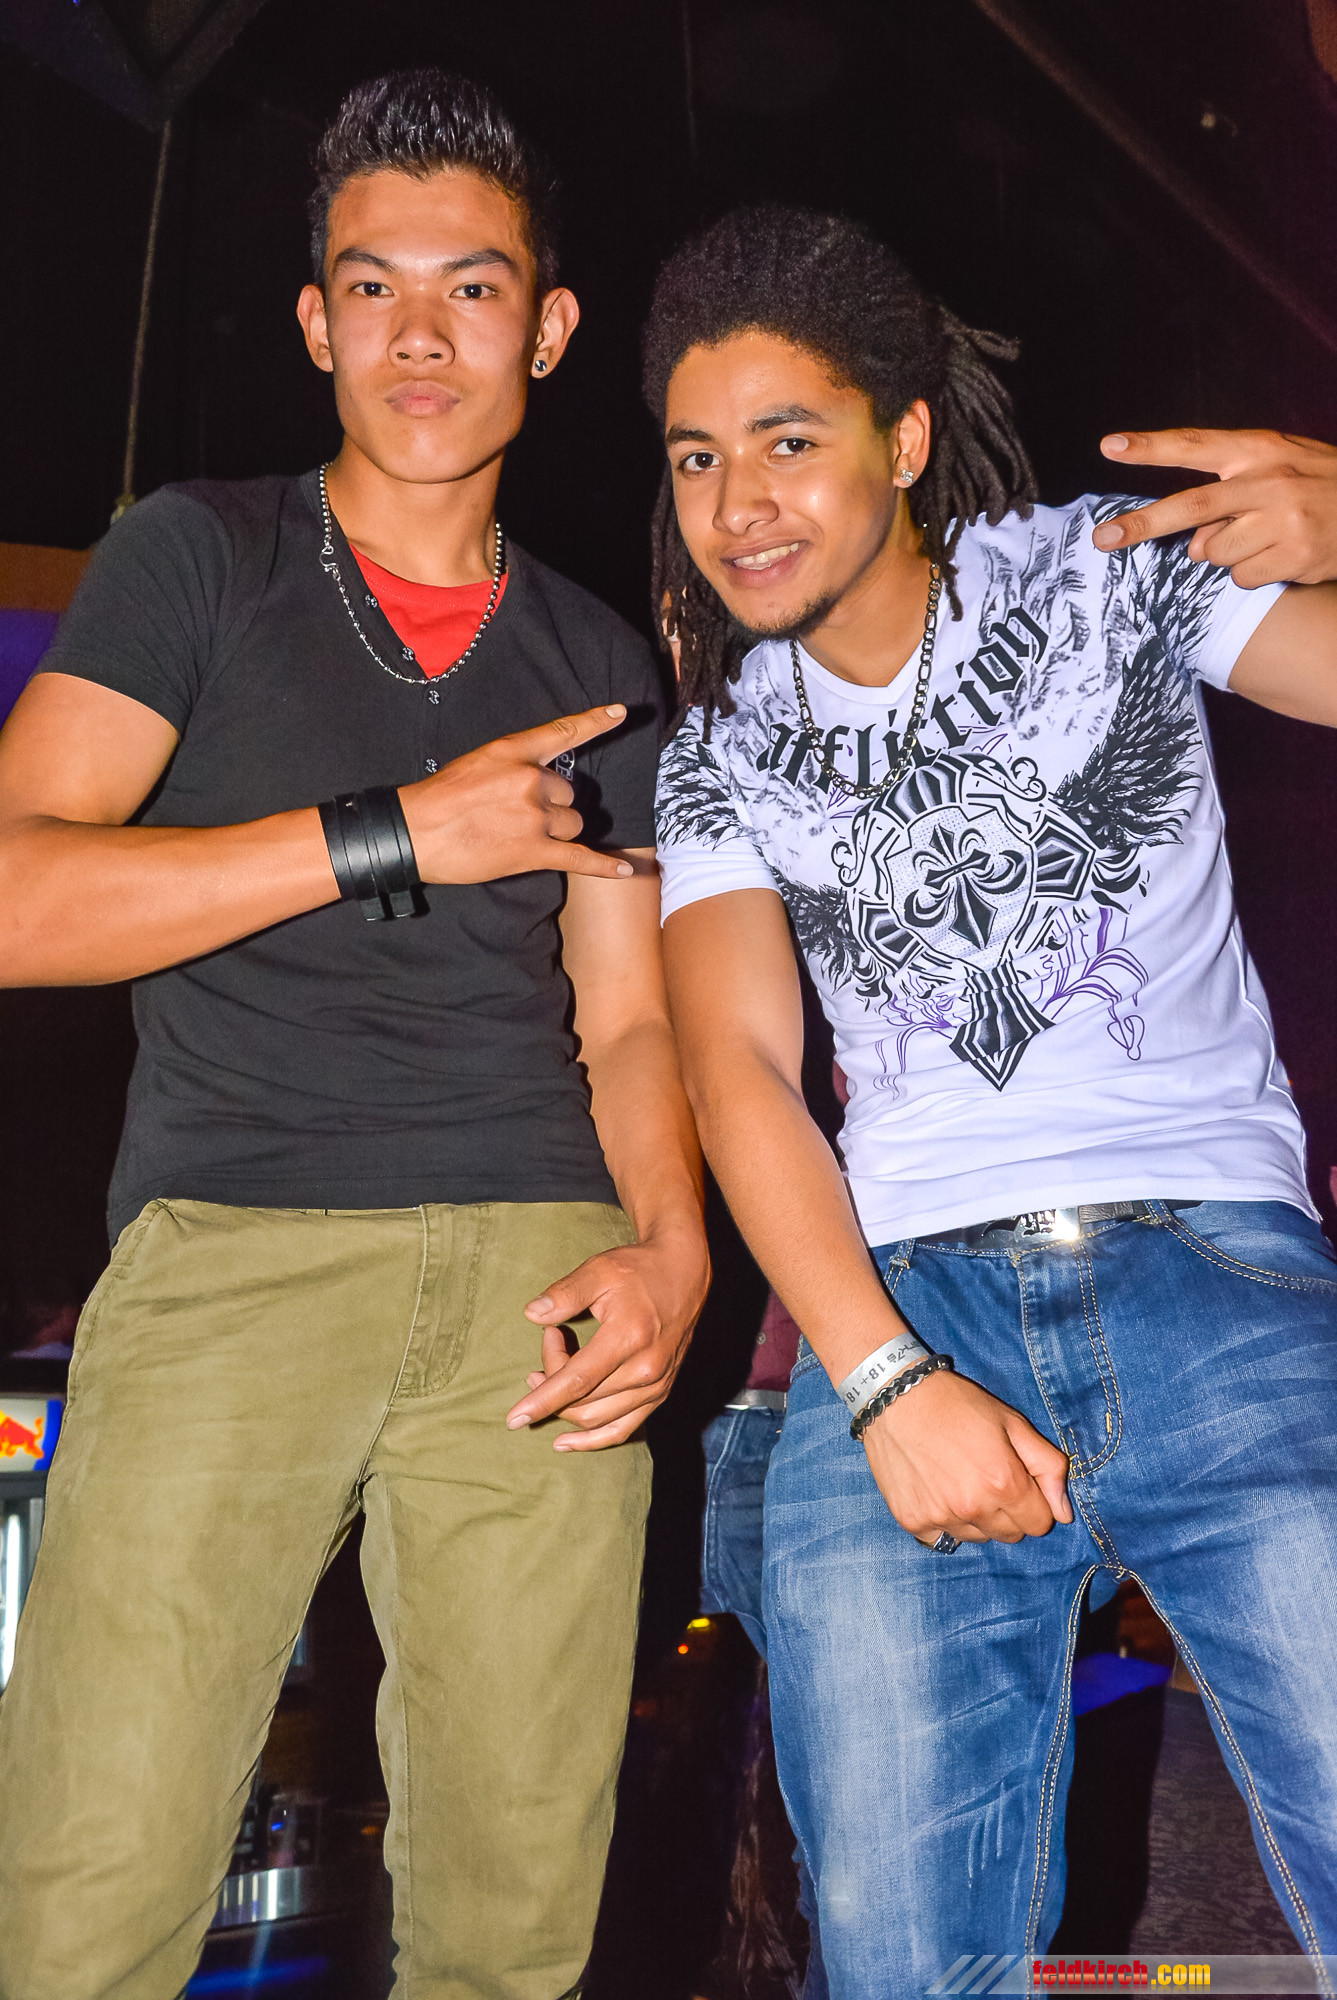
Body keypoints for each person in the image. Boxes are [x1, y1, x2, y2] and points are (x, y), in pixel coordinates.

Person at [0, 70, 708, 2000]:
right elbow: (21, 894)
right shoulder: (199, 557)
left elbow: (628, 1017)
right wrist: (390, 831)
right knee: (84, 1901)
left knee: (513, 1919)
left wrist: (669, 1250)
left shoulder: (600, 661)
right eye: (373, 286)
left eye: (472, 289)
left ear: (546, 332)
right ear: (316, 323)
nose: (419, 332)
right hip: (233, 1253)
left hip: (538, 1278)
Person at [645, 203, 1337, 1994]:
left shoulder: (1106, 571)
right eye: (698, 457)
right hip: (903, 1307)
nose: (737, 504)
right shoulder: (718, 747)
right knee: (897, 1968)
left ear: (901, 437)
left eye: (785, 441)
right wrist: (881, 1381)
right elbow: (735, 1070)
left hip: (1215, 1272)